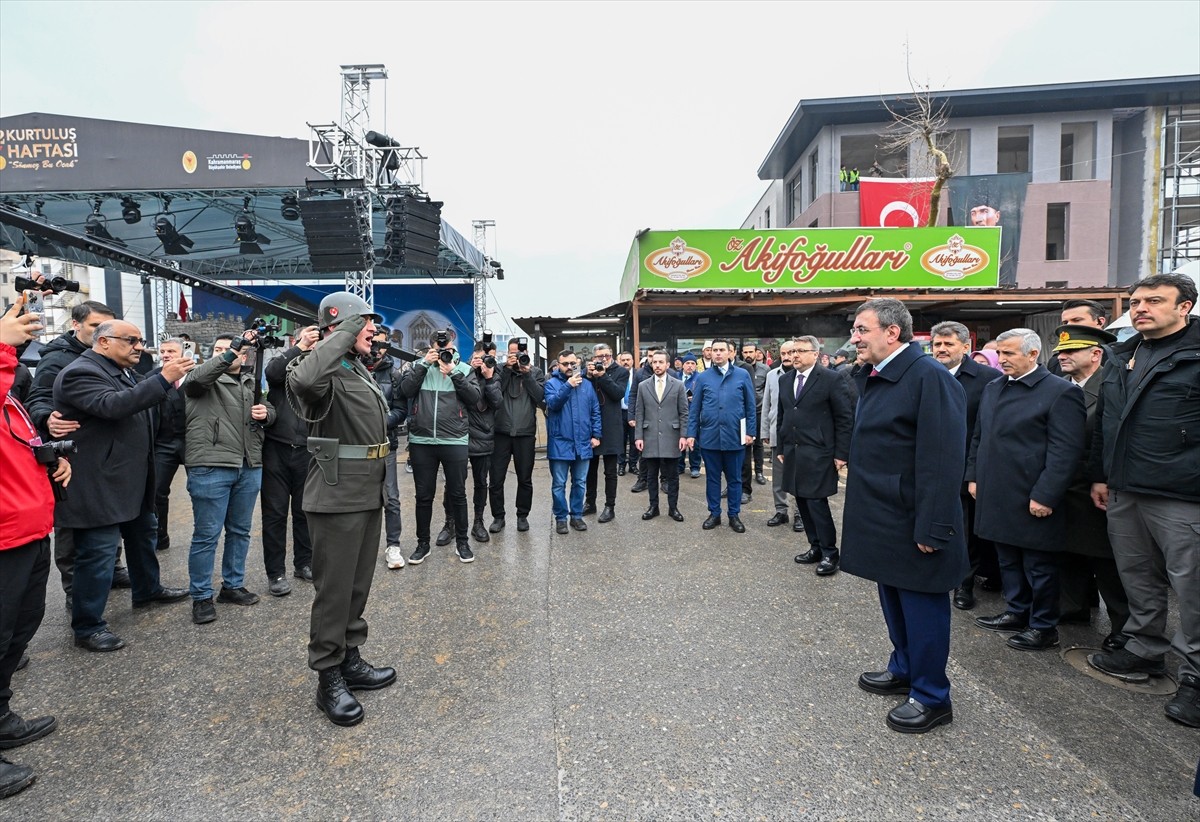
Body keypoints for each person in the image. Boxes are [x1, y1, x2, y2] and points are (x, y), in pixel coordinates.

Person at [841, 298, 968, 734]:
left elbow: (942, 459)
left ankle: (933, 696)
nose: (854, 338)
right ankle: (904, 668)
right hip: (885, 516)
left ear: (892, 333)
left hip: (915, 518)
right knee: (894, 599)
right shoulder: (880, 375)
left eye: (861, 330)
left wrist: (933, 524)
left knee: (922, 606)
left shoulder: (928, 377)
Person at [1087, 273, 1199, 728]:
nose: (1140, 309)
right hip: (1125, 487)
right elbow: (1106, 423)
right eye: (1135, 302)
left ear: (1185, 307)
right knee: (1137, 574)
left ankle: (1195, 677)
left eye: (1154, 301)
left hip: (1183, 492)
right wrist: (1100, 475)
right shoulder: (1122, 354)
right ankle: (1145, 648)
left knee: (1192, 589)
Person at [286, 292, 396, 727]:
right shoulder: (315, 365)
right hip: (335, 496)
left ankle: (350, 658)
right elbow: (305, 382)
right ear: (341, 327)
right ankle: (327, 675)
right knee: (333, 592)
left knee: (356, 586)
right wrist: (345, 331)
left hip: (367, 490)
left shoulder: (354, 368)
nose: (373, 330)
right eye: (364, 324)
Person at [53, 319, 193, 651]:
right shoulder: (80, 373)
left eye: (140, 340)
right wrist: (163, 378)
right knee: (98, 555)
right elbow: (114, 406)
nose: (139, 347)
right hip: (99, 482)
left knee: (143, 536)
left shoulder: (119, 369)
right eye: (131, 340)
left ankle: (148, 589)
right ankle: (88, 626)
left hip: (128, 479)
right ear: (103, 341)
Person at [968, 328, 1086, 652]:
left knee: (1039, 566)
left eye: (1009, 354)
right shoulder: (994, 388)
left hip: (1032, 492)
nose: (1001, 359)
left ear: (1033, 354)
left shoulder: (1060, 392)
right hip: (995, 490)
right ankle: (1016, 611)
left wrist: (1046, 494)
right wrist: (974, 475)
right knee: (1007, 559)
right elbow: (980, 437)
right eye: (1000, 353)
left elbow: (1066, 451)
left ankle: (1044, 625)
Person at [0, 297, 70, 798]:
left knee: (18, 631)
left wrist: (46, 462)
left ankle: (1, 716)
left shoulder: (11, 398)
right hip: (6, 536)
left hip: (26, 530)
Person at [24, 300, 124, 605]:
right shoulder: (57, 359)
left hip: (105, 451)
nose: (102, 333)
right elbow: (38, 397)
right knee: (71, 522)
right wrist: (46, 417)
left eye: (107, 327)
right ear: (76, 325)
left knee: (109, 513)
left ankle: (112, 568)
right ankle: (73, 589)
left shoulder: (113, 354)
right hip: (72, 454)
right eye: (96, 327)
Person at [183, 332, 276, 625]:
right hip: (211, 465)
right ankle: (200, 596)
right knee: (206, 535)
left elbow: (269, 410)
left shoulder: (251, 382)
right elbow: (196, 382)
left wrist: (267, 414)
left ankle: (232, 586)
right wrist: (229, 352)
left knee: (240, 531)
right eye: (220, 350)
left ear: (246, 356)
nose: (228, 353)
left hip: (249, 464)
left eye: (233, 349)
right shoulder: (200, 379)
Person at [1051, 323, 1130, 651]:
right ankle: (1072, 609)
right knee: (1069, 554)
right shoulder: (1060, 386)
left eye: (1071, 351)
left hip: (1097, 490)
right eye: (1061, 351)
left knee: (1107, 564)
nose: (1063, 356)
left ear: (1096, 354)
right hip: (1065, 488)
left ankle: (1125, 628)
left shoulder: (1114, 388)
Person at [929, 321, 1003, 610]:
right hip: (931, 466)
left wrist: (974, 471)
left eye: (948, 344)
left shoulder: (986, 378)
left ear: (965, 347)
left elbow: (986, 429)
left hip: (965, 466)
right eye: (938, 344)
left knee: (965, 530)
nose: (942, 349)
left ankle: (965, 584)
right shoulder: (926, 373)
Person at [400, 330, 482, 565]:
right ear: (431, 345)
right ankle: (422, 544)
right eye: (438, 344)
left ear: (453, 345)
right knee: (423, 496)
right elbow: (406, 391)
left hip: (454, 439)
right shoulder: (419, 365)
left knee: (458, 494)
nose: (442, 347)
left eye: (446, 344)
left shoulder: (463, 369)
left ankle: (463, 543)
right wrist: (425, 364)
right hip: (422, 440)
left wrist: (453, 372)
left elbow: (474, 399)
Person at [779, 335, 854, 577]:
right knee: (801, 499)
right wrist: (781, 447)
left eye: (801, 351)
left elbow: (844, 418)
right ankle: (815, 547)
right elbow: (784, 415)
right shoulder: (785, 379)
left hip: (819, 453)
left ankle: (830, 552)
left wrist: (842, 453)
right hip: (794, 450)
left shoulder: (831, 379)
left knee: (816, 503)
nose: (795, 356)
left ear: (815, 354)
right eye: (792, 352)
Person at [261, 326, 319, 594]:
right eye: (307, 338)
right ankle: (276, 573)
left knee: (304, 511)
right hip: (277, 446)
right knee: (274, 513)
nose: (311, 343)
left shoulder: (319, 366)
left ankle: (304, 563)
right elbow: (271, 373)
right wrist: (300, 347)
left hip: (308, 448)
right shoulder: (283, 363)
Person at [686, 339, 756, 533]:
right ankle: (714, 513)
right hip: (710, 437)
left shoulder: (742, 375)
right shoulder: (703, 378)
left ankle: (734, 515)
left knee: (735, 479)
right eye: (714, 350)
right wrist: (691, 434)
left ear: (730, 353)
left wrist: (751, 432)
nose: (717, 353)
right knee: (713, 479)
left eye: (721, 350)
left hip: (735, 436)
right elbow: (695, 408)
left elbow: (750, 406)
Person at [437, 347, 500, 545]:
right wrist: (468, 373)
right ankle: (450, 523)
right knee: (453, 483)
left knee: (481, 482)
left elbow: (497, 402)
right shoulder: (461, 372)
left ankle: (478, 522)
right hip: (457, 434)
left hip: (482, 435)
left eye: (484, 359)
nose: (480, 362)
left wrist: (488, 379)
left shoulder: (493, 376)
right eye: (476, 358)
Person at [488, 338, 545, 534]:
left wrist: (526, 373)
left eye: (519, 352)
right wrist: (506, 370)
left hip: (525, 433)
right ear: (506, 354)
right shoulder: (498, 370)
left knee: (525, 478)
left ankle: (522, 516)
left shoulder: (535, 372)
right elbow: (493, 395)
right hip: (501, 432)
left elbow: (540, 398)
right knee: (496, 478)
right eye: (512, 353)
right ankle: (498, 516)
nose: (516, 356)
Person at [543, 349, 601, 535]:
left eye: (572, 363)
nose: (569, 367)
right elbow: (553, 404)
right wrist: (568, 385)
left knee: (580, 482)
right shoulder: (551, 384)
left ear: (578, 363)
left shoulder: (587, 385)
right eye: (565, 364)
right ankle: (561, 518)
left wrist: (596, 435)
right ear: (558, 365)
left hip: (583, 442)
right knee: (559, 483)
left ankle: (576, 516)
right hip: (560, 442)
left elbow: (595, 411)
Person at [364, 328, 408, 568]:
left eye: (380, 344)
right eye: (372, 342)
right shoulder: (352, 368)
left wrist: (379, 423)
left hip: (386, 444)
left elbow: (401, 410)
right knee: (360, 499)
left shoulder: (394, 375)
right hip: (356, 446)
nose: (375, 348)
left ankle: (394, 545)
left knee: (391, 497)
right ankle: (359, 547)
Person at [634, 351, 688, 522]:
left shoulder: (678, 385)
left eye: (660, 362)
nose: (657, 365)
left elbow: (684, 413)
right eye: (654, 362)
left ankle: (673, 508)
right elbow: (639, 412)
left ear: (667, 365)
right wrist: (638, 437)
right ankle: (653, 507)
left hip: (672, 436)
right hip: (649, 436)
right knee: (651, 475)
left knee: (672, 475)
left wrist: (683, 435)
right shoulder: (643, 386)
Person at [583, 344, 629, 523]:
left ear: (612, 356)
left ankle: (610, 506)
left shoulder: (621, 372)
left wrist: (602, 376)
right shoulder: (590, 372)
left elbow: (618, 394)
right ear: (593, 358)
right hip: (590, 426)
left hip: (611, 425)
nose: (603, 359)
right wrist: (589, 376)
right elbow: (583, 392)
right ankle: (590, 502)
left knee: (610, 471)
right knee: (590, 469)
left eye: (606, 355)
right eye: (599, 356)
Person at [150, 340, 187, 553]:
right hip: (163, 442)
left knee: (202, 491)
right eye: (162, 351)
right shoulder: (151, 379)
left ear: (183, 353)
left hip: (192, 441)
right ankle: (160, 536)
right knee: (157, 492)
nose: (165, 355)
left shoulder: (195, 377)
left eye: (171, 351)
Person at [760, 339, 797, 529]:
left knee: (799, 476)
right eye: (783, 354)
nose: (787, 357)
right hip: (777, 432)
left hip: (799, 436)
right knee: (778, 476)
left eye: (791, 353)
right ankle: (781, 511)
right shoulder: (772, 375)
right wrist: (765, 430)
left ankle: (799, 513)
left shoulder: (804, 375)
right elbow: (767, 404)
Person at [739, 342, 769, 491]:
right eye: (745, 352)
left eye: (751, 352)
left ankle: (759, 472)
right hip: (743, 413)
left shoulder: (765, 370)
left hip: (759, 412)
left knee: (758, 445)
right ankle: (742, 477)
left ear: (757, 353)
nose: (748, 355)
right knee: (744, 446)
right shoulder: (739, 369)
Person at [616, 350, 638, 477]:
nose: (625, 362)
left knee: (635, 440)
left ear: (632, 361)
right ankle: (621, 465)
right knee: (621, 439)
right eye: (623, 360)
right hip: (620, 412)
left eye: (628, 360)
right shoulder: (616, 374)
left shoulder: (638, 374)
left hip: (634, 412)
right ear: (619, 361)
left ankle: (633, 464)